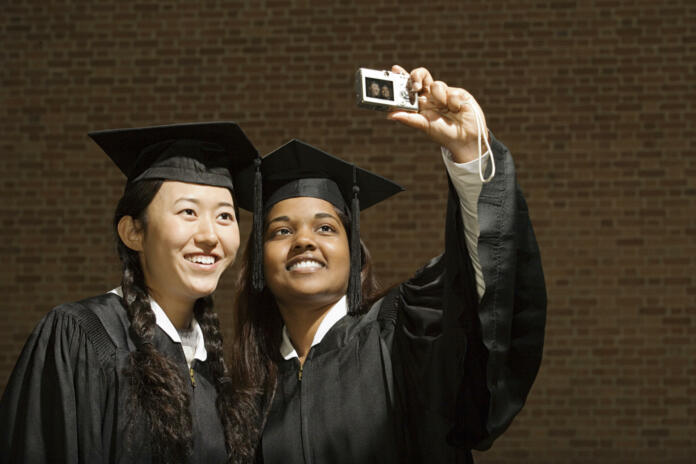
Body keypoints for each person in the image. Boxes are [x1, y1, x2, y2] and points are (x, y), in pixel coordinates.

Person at [228, 65, 547, 463]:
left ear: (354, 252)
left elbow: (488, 292)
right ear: (258, 260)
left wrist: (470, 153)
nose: (304, 241)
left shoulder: (404, 333)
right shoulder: (246, 390)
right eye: (280, 232)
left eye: (326, 228)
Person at [0, 122, 259, 463]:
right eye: (188, 212)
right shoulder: (83, 337)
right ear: (133, 232)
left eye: (225, 216)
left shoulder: (216, 369)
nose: (210, 235)